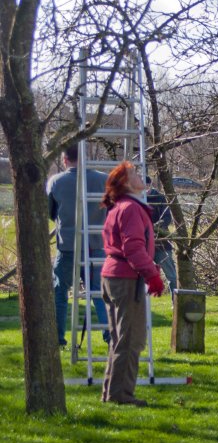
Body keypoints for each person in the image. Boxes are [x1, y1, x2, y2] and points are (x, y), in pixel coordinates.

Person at [100, 162, 165, 406]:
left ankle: (112, 393)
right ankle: (121, 396)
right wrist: (152, 275)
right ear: (126, 183)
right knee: (130, 340)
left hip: (115, 276)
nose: (140, 176)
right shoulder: (130, 208)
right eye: (135, 174)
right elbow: (133, 247)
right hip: (126, 279)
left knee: (120, 339)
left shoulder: (121, 207)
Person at [46, 144, 110, 347]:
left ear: (65, 160)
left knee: (60, 293)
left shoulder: (56, 181)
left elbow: (50, 212)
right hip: (96, 244)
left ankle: (57, 338)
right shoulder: (104, 180)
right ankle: (110, 336)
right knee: (99, 293)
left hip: (67, 246)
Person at [145, 176, 178, 293]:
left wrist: (154, 227)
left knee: (172, 276)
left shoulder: (159, 197)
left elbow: (167, 217)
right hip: (142, 245)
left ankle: (176, 305)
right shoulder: (136, 198)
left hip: (161, 243)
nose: (145, 189)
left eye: (146, 186)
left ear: (150, 185)